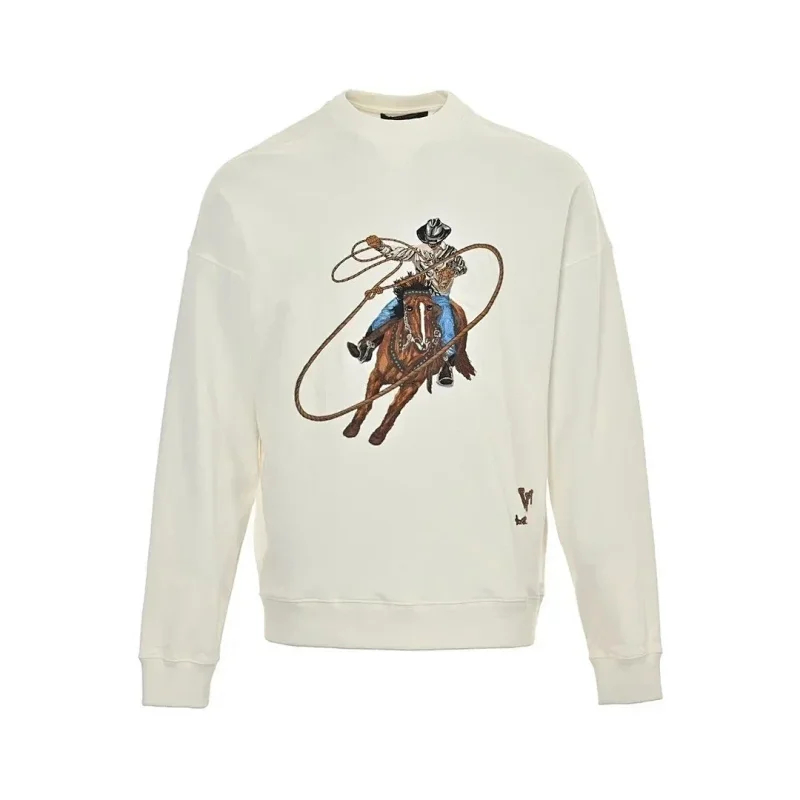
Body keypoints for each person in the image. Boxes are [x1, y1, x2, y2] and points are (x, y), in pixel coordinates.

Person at [347, 218, 467, 386]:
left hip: (439, 296)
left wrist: (451, 270)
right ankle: (367, 345)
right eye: (429, 240)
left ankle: (447, 363)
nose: (432, 243)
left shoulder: (452, 253)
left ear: (441, 238)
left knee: (446, 321)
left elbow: (462, 267)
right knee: (389, 310)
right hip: (419, 292)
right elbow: (397, 253)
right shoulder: (418, 251)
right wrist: (380, 246)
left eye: (435, 240)